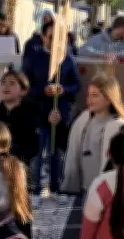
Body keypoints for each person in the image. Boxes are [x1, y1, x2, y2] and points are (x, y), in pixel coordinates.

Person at [22, 21, 81, 205]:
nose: (55, 41)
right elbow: (25, 85)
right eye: (51, 37)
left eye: (59, 37)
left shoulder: (68, 58)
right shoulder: (34, 57)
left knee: (57, 154)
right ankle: (37, 190)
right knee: (39, 153)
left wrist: (63, 89)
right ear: (43, 37)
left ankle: (55, 188)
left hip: (60, 113)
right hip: (39, 112)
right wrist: (43, 90)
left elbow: (76, 85)